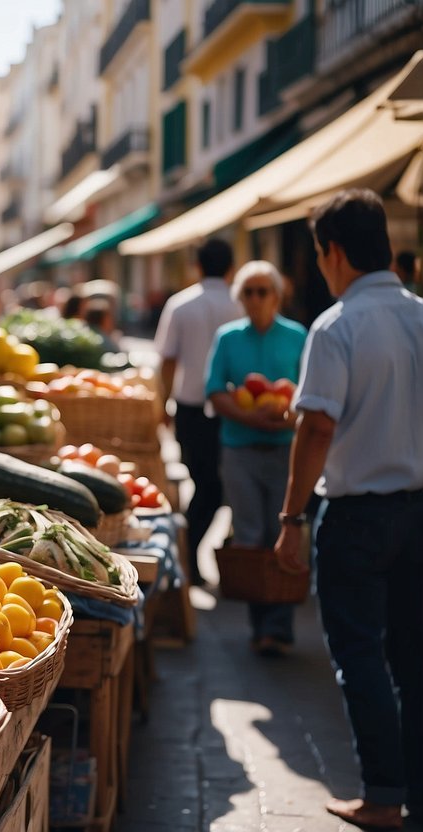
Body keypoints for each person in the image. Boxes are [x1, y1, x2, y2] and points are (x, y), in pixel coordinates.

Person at [274, 189, 423, 831]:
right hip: (419, 511)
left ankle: (384, 796)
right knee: (414, 657)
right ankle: (412, 787)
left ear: (332, 252)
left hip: (358, 517)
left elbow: (315, 431)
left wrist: (291, 520)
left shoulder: (336, 327)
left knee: (359, 655)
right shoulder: (421, 316)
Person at [204, 261, 306, 656]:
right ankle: (259, 623)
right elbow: (214, 391)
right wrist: (249, 416)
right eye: (249, 291)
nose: (256, 298)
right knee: (250, 536)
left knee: (281, 536)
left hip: (286, 451)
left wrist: (288, 415)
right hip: (240, 450)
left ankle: (278, 628)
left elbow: (310, 393)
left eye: (264, 291)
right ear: (239, 298)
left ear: (277, 296)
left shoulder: (298, 336)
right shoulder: (228, 338)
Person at [154, 238, 243, 585]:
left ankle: (187, 552)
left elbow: (167, 361)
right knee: (217, 486)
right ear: (231, 268)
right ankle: (193, 553)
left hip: (191, 410)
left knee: (204, 483)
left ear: (198, 267)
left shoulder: (180, 304)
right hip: (235, 409)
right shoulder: (241, 303)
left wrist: (163, 404)